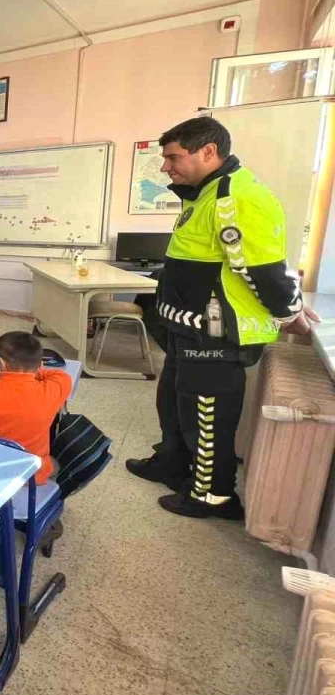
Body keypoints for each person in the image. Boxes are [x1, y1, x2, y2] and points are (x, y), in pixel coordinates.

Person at [125, 116, 319, 519]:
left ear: (209, 151)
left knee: (207, 415)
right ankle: (172, 464)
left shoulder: (238, 197)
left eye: (173, 157)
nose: (165, 168)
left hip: (214, 333)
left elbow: (264, 270)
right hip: (188, 327)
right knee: (174, 402)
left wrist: (291, 314)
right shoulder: (204, 194)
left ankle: (212, 494)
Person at [0, 331, 70, 486]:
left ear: (2, 362)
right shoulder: (52, 390)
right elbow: (61, 376)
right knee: (54, 465)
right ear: (40, 365)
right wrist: (34, 372)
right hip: (32, 473)